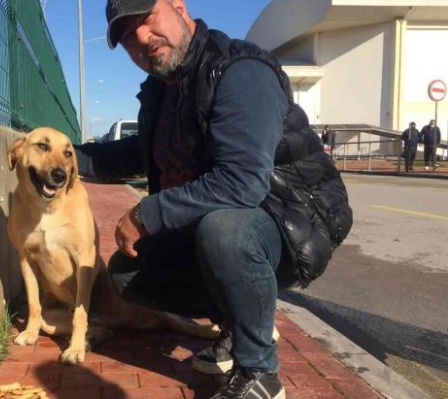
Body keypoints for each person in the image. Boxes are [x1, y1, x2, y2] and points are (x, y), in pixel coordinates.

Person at [75, 1, 352, 398]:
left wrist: (146, 213)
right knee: (126, 272)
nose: (140, 39)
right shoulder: (163, 90)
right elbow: (141, 152)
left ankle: (260, 371)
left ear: (178, 7)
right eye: (127, 36)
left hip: (294, 217)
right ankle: (237, 326)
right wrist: (68, 155)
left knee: (224, 231)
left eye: (146, 19)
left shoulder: (241, 71)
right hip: (229, 219)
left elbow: (242, 181)